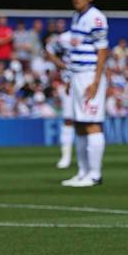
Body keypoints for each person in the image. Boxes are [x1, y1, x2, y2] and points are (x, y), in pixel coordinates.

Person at [61, 0, 109, 188]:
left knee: (91, 124)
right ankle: (82, 172)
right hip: (77, 75)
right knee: (79, 125)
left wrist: (96, 81)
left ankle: (95, 174)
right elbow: (75, 49)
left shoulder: (95, 18)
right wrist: (71, 76)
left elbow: (102, 50)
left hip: (90, 75)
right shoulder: (76, 17)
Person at [46, 30, 75, 169]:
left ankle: (87, 158)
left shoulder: (92, 34)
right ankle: (66, 156)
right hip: (69, 82)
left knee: (88, 121)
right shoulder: (65, 37)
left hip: (88, 83)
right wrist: (62, 65)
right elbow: (49, 49)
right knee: (68, 119)